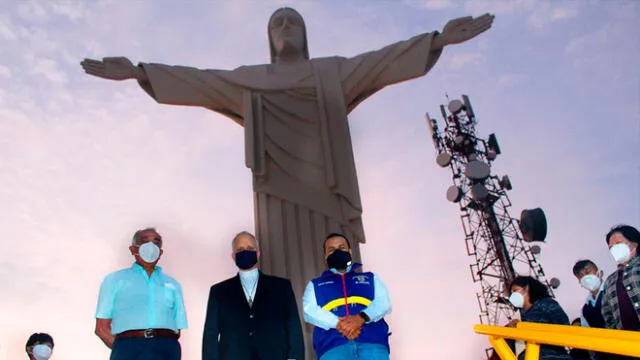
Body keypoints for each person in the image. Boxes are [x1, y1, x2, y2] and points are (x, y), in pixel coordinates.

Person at [80, 13, 494, 358]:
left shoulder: (332, 71)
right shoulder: (251, 80)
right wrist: (140, 72)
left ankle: (340, 341)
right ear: (270, 39)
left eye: (293, 21)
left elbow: (381, 62)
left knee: (339, 259)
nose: (286, 27)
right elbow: (200, 82)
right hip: (276, 193)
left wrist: (437, 41)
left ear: (305, 35)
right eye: (278, 23)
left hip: (330, 189)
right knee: (278, 278)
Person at [202, 231, 304, 360]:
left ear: (258, 253)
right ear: (233, 256)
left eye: (250, 248)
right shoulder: (219, 291)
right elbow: (210, 334)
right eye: (240, 249)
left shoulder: (281, 287)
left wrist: (295, 357)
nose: (245, 252)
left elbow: (293, 327)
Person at [94, 227, 188, 360]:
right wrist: (123, 348)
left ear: (160, 252)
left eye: (156, 242)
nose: (151, 247)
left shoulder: (173, 284)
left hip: (167, 348)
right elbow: (101, 328)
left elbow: (177, 328)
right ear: (133, 249)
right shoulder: (115, 280)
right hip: (129, 347)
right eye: (145, 241)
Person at [303, 233, 392, 360]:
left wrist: (360, 318)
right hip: (333, 348)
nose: (337, 252)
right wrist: (340, 325)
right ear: (325, 256)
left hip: (373, 345)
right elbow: (310, 311)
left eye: (341, 247)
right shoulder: (315, 285)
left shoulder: (371, 278)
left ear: (350, 251)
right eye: (331, 250)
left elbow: (384, 303)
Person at [506, 276, 571, 360]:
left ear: (526, 288)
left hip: (554, 356)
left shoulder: (546, 304)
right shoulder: (520, 314)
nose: (512, 295)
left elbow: (564, 326)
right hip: (532, 355)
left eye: (515, 290)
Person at [601, 225, 640, 331]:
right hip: (626, 342)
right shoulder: (609, 281)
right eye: (611, 247)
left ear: (634, 243)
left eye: (618, 243)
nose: (614, 249)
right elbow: (607, 314)